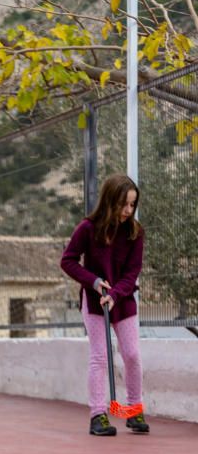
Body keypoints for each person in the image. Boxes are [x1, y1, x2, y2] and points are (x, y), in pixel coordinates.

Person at [60, 173, 147, 436]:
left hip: (123, 300)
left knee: (132, 354)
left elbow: (133, 271)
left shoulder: (135, 232)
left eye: (132, 205)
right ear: (111, 200)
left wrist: (117, 293)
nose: (128, 210)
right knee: (100, 356)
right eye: (124, 204)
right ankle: (98, 415)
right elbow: (68, 261)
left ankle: (133, 410)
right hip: (95, 301)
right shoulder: (88, 228)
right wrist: (95, 282)